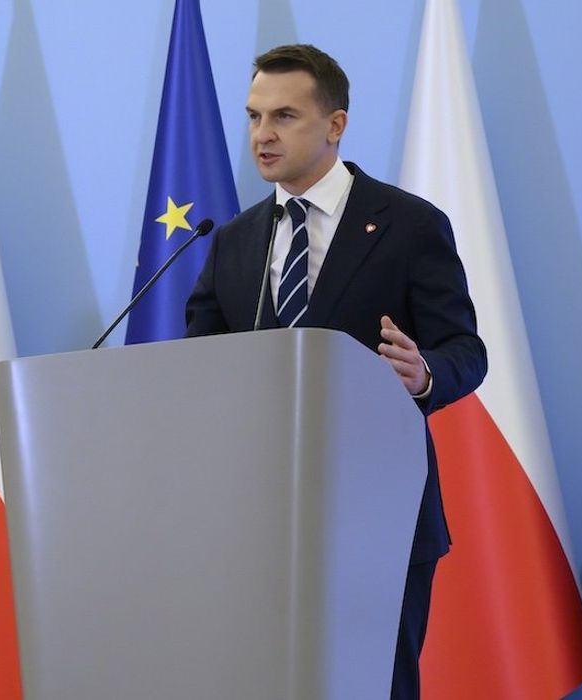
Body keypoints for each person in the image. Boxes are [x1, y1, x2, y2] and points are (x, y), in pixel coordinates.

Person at [185, 44, 486, 698]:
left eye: (284, 116)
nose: (262, 134)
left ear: (335, 124)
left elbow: (466, 350)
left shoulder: (408, 225)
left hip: (378, 511)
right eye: (254, 116)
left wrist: (423, 374)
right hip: (258, 518)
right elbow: (197, 366)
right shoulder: (232, 240)